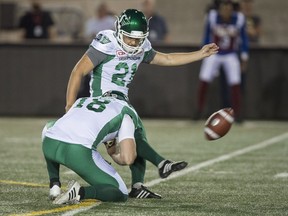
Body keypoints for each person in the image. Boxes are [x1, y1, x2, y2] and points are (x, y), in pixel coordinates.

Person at [64, 9, 218, 199]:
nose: (134, 43)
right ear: (119, 31)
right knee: (135, 129)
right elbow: (78, 71)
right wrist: (69, 106)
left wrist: (200, 54)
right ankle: (161, 164)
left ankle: (139, 184)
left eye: (138, 39)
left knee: (132, 144)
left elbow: (167, 58)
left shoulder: (141, 46)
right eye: (129, 38)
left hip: (120, 101)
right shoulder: (107, 43)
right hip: (103, 102)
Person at [42, 95, 139, 204]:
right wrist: (113, 155)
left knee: (49, 128)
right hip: (77, 152)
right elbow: (128, 158)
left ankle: (54, 185)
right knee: (121, 192)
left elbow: (50, 127)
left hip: (49, 143)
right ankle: (80, 192)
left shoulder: (83, 99)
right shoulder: (126, 111)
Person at [194, 0, 248, 122]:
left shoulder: (239, 18)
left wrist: (244, 56)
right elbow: (206, 35)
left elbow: (244, 39)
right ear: (220, 9)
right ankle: (199, 110)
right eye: (224, 8)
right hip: (214, 53)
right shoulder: (212, 16)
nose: (226, 11)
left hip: (231, 54)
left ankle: (238, 114)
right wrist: (203, 53)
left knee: (235, 82)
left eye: (228, 8)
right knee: (204, 79)